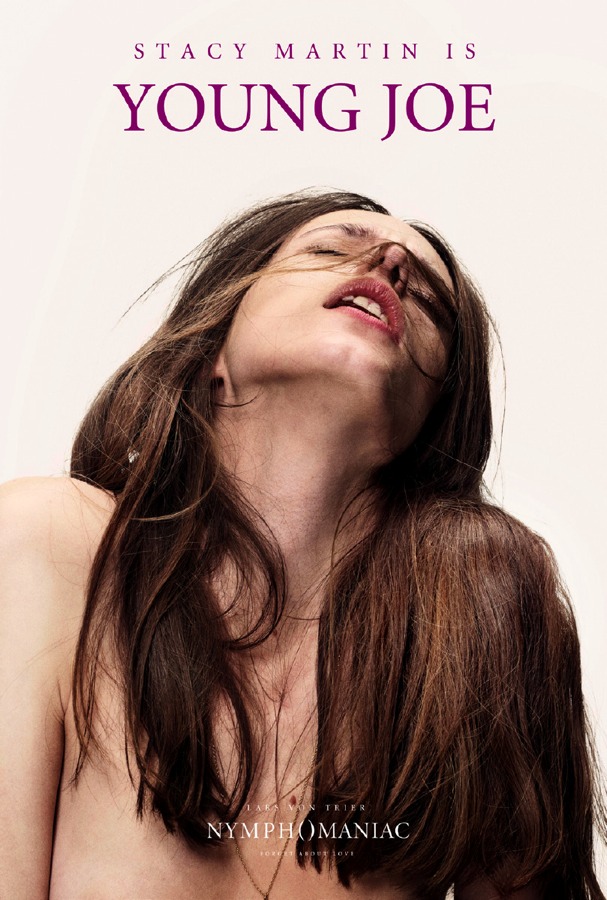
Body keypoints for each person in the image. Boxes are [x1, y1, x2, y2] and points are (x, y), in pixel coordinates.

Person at [0, 189, 604, 900]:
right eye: (329, 249)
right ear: (211, 351)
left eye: (430, 304)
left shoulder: (482, 612)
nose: (391, 263)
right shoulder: (49, 544)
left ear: (435, 418)